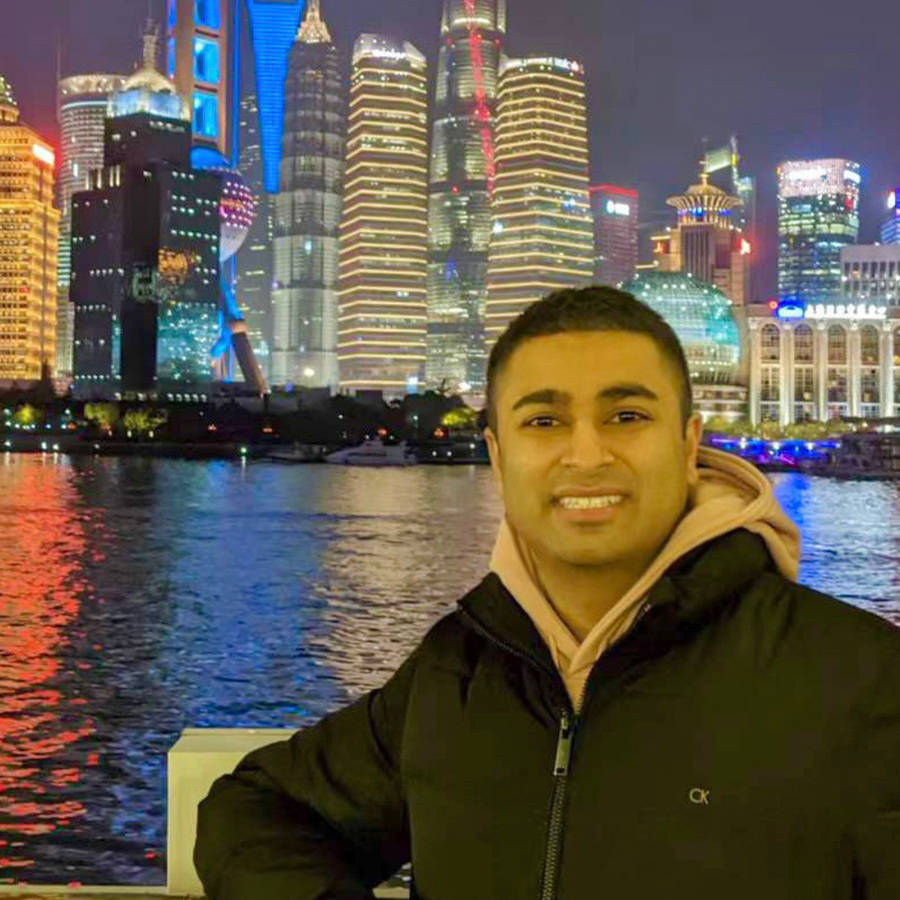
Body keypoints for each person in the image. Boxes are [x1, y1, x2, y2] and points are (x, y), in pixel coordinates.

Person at [194, 287, 900, 900]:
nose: (586, 454)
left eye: (626, 416)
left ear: (689, 446)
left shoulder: (860, 683)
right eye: (543, 421)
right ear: (499, 458)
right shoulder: (460, 671)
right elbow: (257, 810)